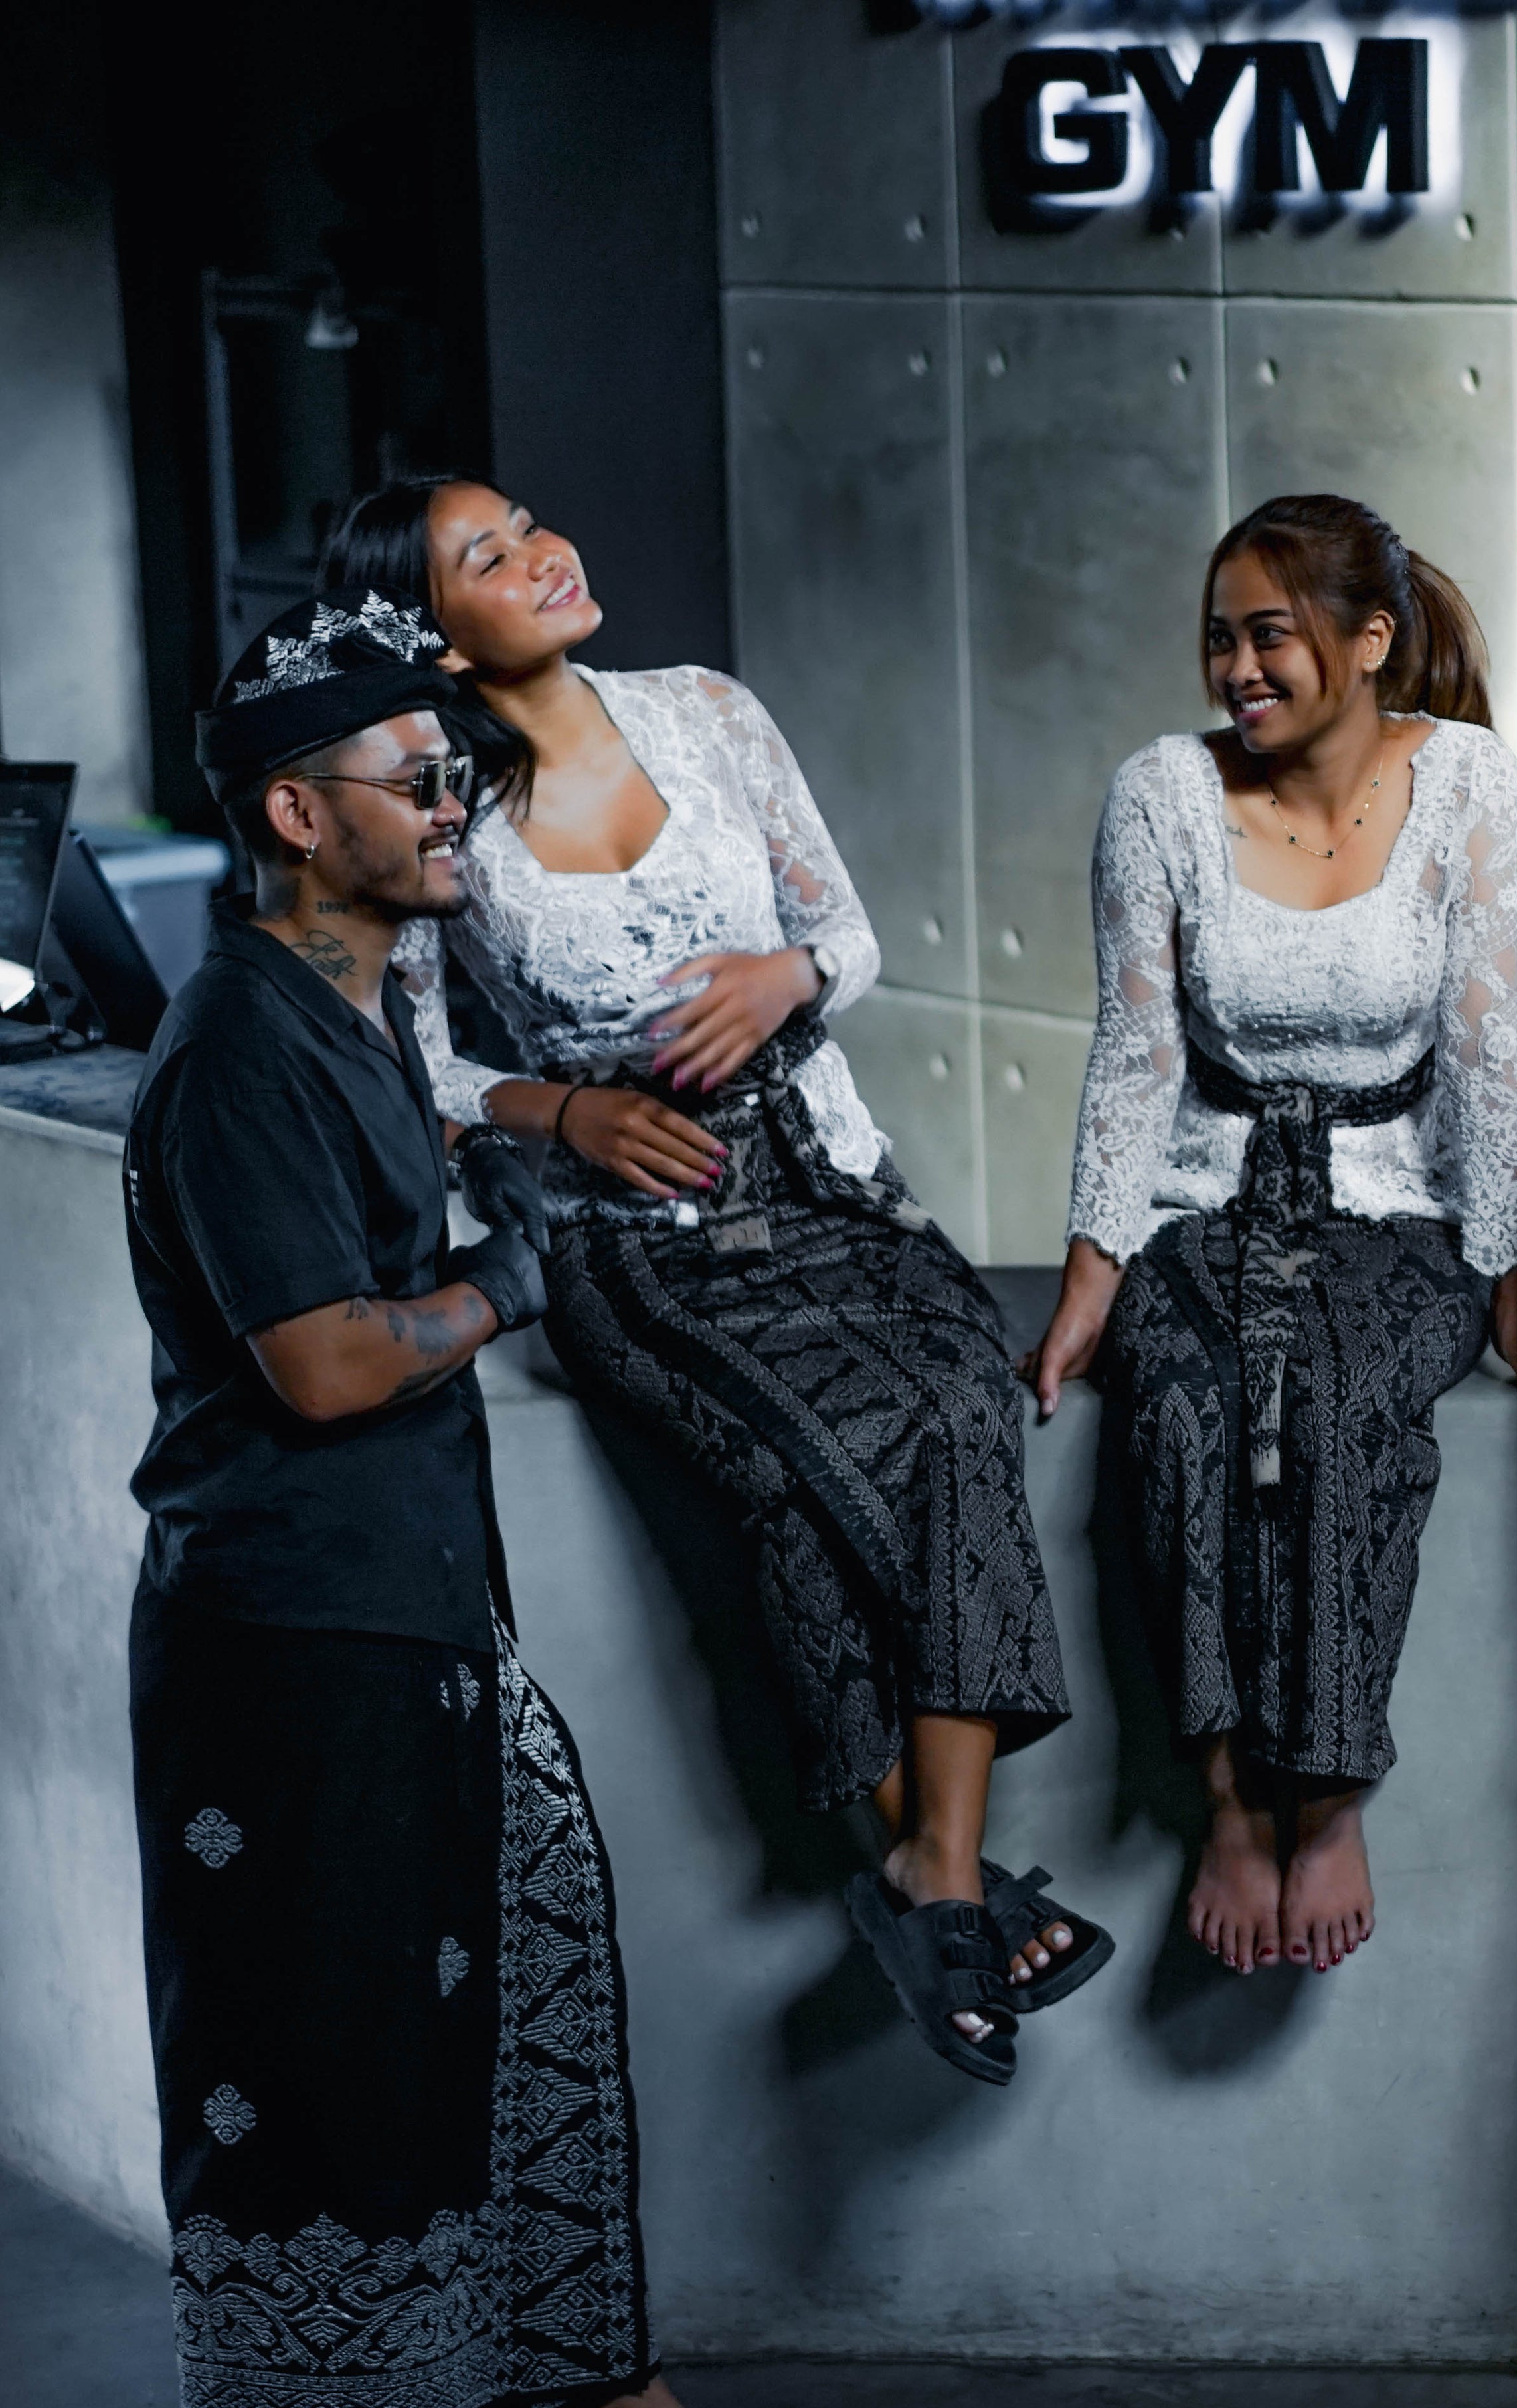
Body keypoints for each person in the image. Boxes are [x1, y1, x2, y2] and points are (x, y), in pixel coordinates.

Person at [126, 586, 889, 2408]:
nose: (454, 802)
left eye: (452, 772)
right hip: (287, 1633)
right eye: (414, 780)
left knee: (527, 2009)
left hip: (413, 1604)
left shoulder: (363, 1007)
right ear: (297, 815)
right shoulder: (240, 1046)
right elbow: (320, 1363)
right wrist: (509, 1274)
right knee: (326, 2057)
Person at [318, 481, 1102, 2088]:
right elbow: (414, 1060)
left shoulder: (708, 712)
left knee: (962, 1398)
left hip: (832, 1182)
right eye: (489, 557)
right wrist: (564, 1111)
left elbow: (850, 935)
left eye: (530, 522)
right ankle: (955, 1885)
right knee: (795, 1482)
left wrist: (787, 974)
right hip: (638, 1236)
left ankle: (934, 1873)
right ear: (436, 637)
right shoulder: (435, 801)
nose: (545, 550)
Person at [1021, 492, 1517, 1976]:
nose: (1235, 670)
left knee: (1344, 1397)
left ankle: (1330, 1790)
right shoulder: (1160, 795)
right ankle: (1232, 1794)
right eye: (1218, 639)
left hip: (1401, 1204)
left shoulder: (1471, 786)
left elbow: (1491, 1049)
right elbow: (1135, 1052)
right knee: (1183, 1408)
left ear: (1371, 640)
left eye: (1270, 636)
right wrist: (1092, 1271)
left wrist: (1511, 1270)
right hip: (1209, 1196)